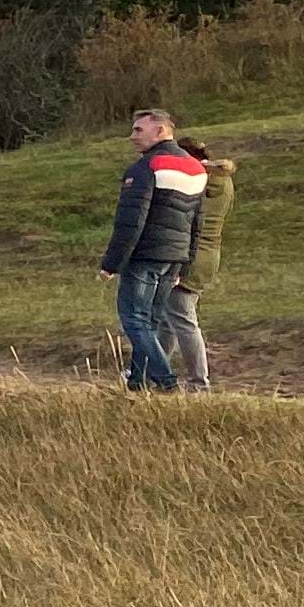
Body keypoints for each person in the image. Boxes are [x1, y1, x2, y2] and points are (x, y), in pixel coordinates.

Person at [99, 105, 207, 394]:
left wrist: (112, 263)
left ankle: (166, 382)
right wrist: (186, 264)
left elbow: (131, 220)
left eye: (138, 130)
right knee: (152, 321)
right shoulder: (196, 169)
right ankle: (137, 384)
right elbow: (198, 223)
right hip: (175, 258)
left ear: (161, 130)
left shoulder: (146, 167)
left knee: (135, 320)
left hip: (145, 256)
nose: (132, 136)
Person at [166, 133, 228, 392]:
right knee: (167, 318)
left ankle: (198, 383)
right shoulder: (221, 182)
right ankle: (149, 369)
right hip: (208, 255)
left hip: (188, 255)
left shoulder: (194, 183)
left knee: (182, 319)